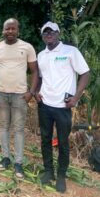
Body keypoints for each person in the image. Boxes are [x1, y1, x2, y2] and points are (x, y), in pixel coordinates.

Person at [36, 21, 89, 193]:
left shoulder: (70, 51)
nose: (48, 35)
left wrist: (76, 97)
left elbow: (85, 74)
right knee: (45, 139)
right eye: (45, 32)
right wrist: (36, 91)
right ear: (43, 35)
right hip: (45, 104)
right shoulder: (41, 55)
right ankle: (49, 172)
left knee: (63, 142)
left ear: (58, 33)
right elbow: (41, 77)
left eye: (52, 32)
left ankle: (60, 176)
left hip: (63, 106)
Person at [0, 18, 38, 179]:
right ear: (3, 30)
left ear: (18, 30)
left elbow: (35, 72)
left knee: (18, 129)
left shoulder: (27, 47)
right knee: (3, 127)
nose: (10, 31)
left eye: (13, 28)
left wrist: (31, 92)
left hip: (20, 95)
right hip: (1, 94)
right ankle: (5, 158)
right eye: (7, 29)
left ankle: (18, 162)